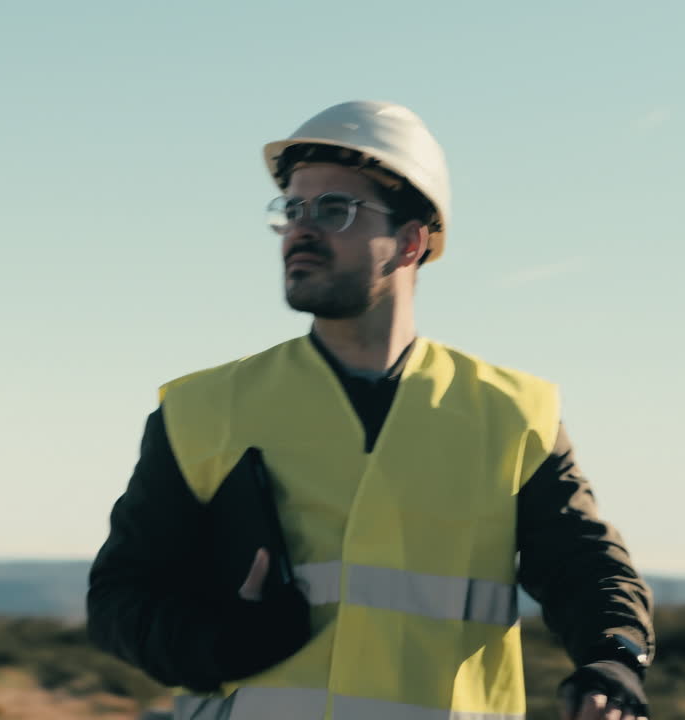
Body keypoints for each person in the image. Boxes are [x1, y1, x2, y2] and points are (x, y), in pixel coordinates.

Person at [87, 100, 655, 720]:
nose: (302, 229)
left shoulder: (511, 412)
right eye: (292, 209)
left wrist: (614, 657)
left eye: (335, 209)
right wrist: (215, 644)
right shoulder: (202, 408)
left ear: (410, 241)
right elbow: (121, 601)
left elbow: (586, 566)